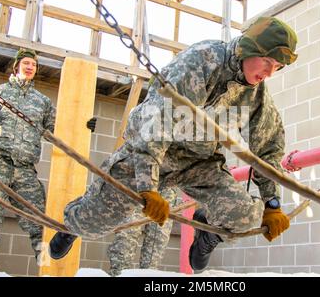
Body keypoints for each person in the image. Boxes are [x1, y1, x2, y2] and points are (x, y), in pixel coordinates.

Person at [49, 17, 297, 271]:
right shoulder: (202, 61)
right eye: (267, 62)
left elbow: (267, 148)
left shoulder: (256, 94)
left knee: (245, 216)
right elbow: (157, 123)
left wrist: (272, 203)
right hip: (153, 152)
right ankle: (72, 226)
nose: (268, 73)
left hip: (200, 163)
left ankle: (208, 235)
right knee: (96, 223)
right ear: (249, 48)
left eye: (276, 67)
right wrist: (147, 186)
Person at [0, 48, 97, 272]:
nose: (30, 67)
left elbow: (59, 130)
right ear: (17, 66)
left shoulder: (42, 102)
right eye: (26, 63)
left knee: (38, 218)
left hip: (25, 167)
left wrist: (84, 127)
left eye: (34, 65)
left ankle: (44, 264)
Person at [107, 187, 178, 276]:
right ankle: (118, 274)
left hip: (167, 187)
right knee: (127, 235)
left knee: (157, 240)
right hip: (138, 185)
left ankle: (148, 277)